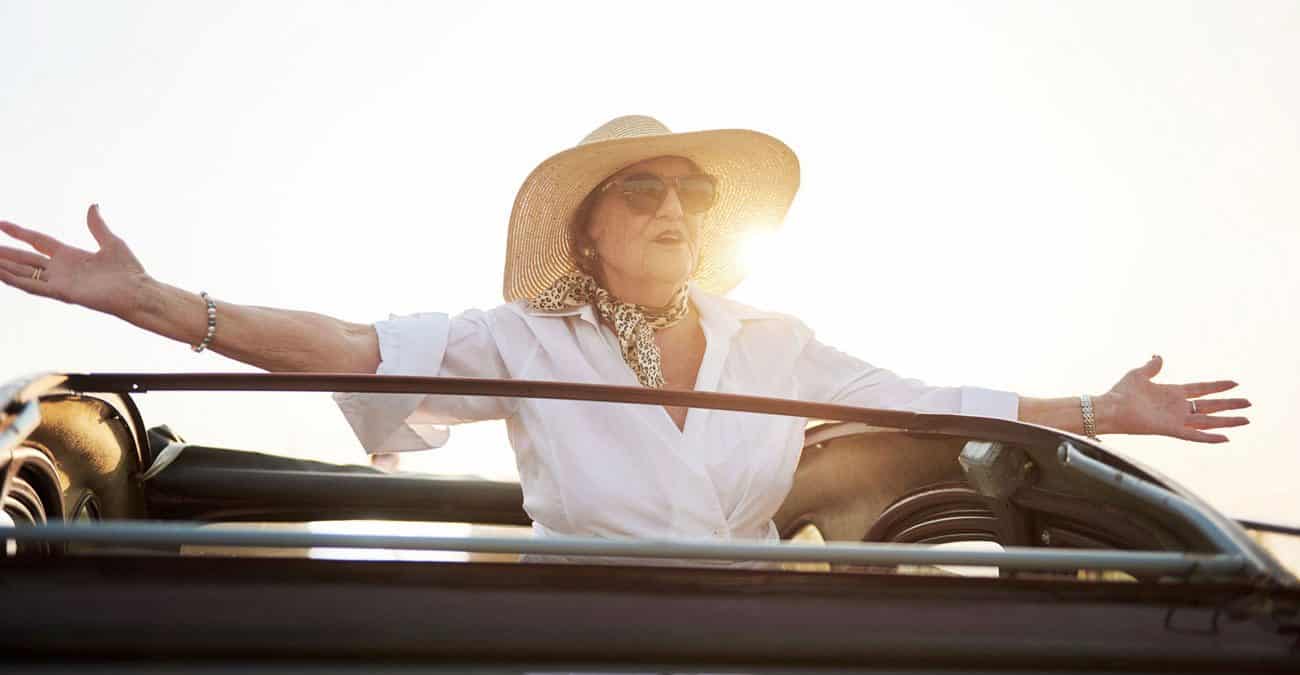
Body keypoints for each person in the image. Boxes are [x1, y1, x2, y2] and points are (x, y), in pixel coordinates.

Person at [0, 115, 1251, 543]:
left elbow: (929, 400)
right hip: (588, 631)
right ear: (590, 231)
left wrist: (1098, 411)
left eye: (690, 196)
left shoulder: (776, 339)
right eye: (641, 192)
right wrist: (158, 305)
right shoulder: (521, 338)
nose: (672, 210)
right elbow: (356, 348)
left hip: (769, 643)